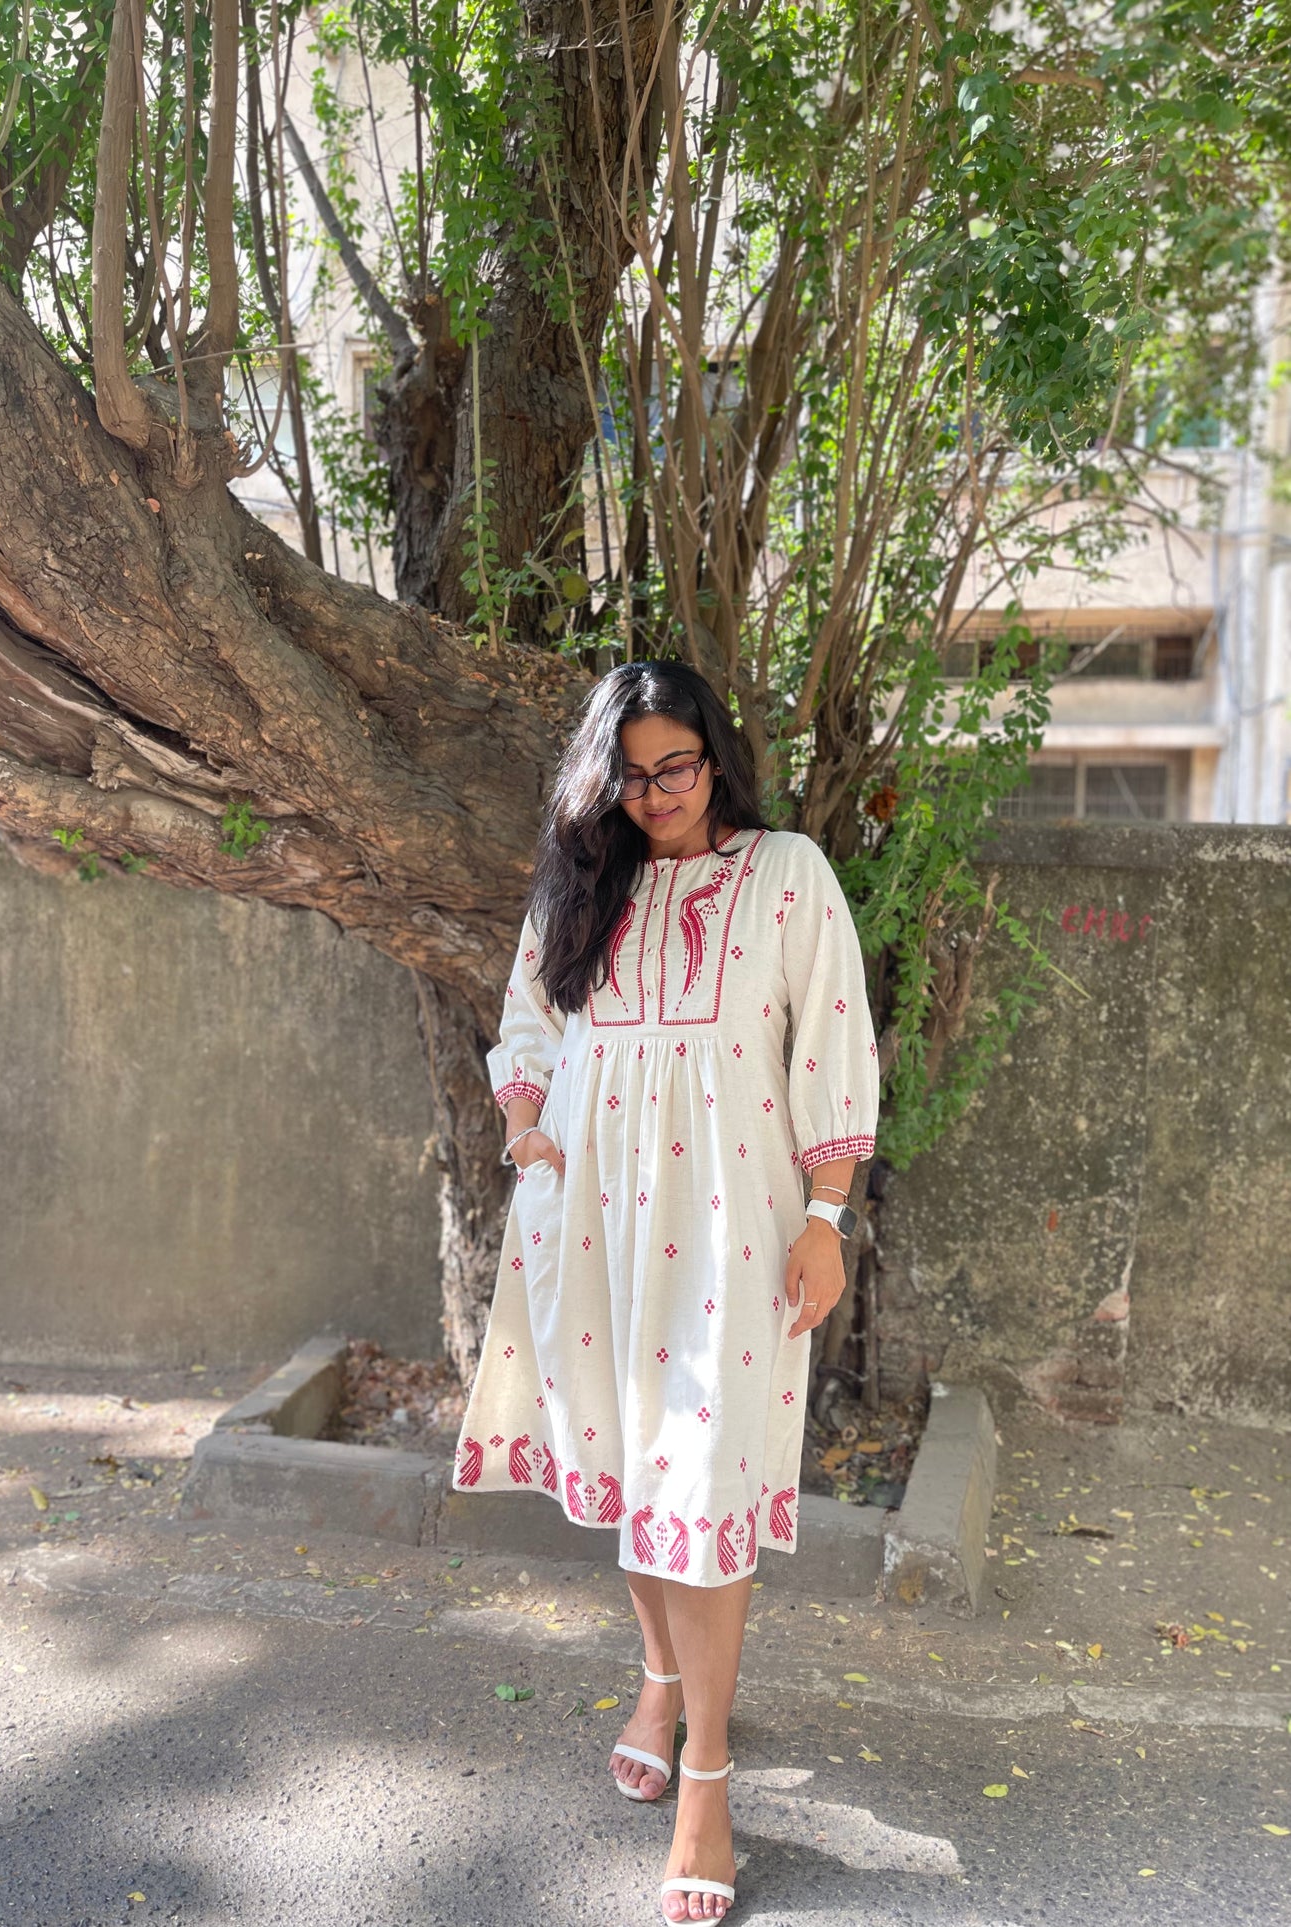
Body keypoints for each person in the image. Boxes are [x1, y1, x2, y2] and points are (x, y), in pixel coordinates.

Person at [451, 659, 880, 1922]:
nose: (655, 794)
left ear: (714, 756)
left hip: (731, 1227)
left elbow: (833, 1040)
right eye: (629, 774)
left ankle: (707, 1772)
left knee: (700, 1480)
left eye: (675, 766)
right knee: (635, 1471)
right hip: (584, 1212)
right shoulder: (582, 881)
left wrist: (825, 1218)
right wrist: (527, 1121)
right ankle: (656, 1674)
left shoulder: (786, 872)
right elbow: (527, 1021)